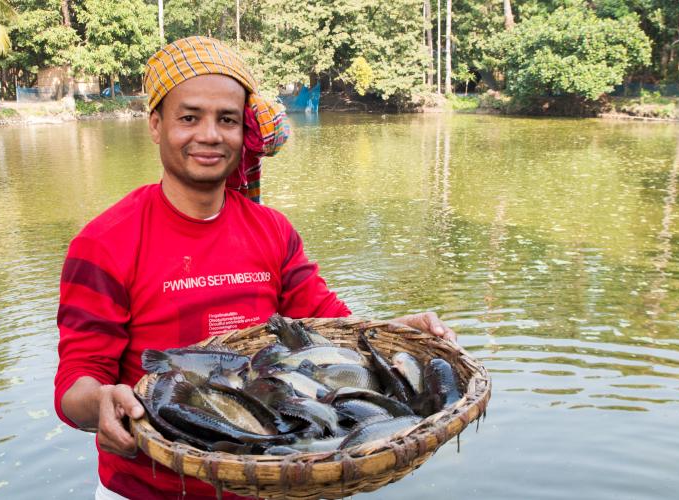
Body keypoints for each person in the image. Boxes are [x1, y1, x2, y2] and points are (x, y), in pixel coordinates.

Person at [54, 37, 456, 500]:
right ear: (155, 125)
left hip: (271, 482)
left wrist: (395, 331)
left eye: (226, 120)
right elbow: (76, 380)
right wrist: (100, 402)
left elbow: (328, 324)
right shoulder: (105, 242)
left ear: (240, 132)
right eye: (189, 117)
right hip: (148, 488)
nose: (209, 134)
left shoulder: (271, 230)